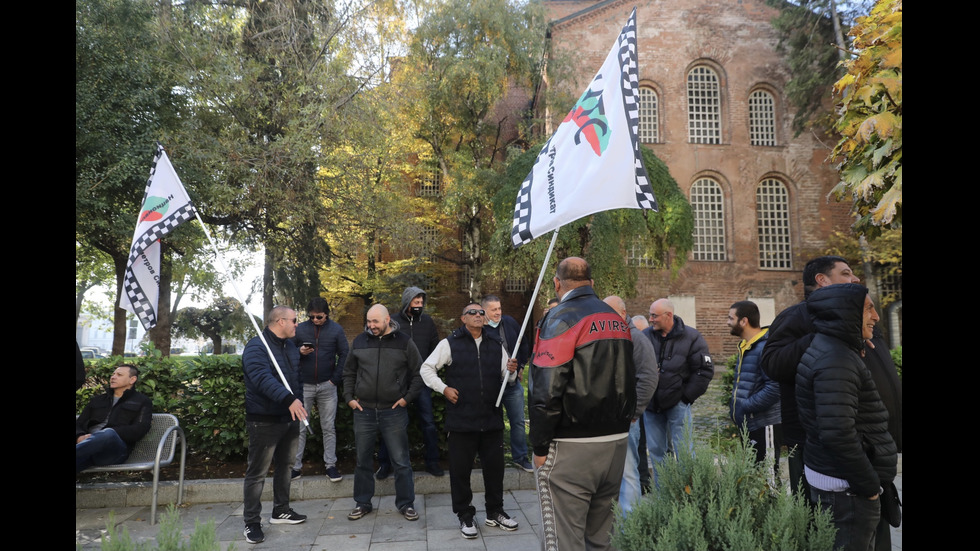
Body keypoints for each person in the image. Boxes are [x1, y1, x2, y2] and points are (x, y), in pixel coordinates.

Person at [760, 255, 903, 548]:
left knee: (876, 528)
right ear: (821, 281)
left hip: (871, 445)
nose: (854, 279)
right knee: (836, 528)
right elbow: (772, 363)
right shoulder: (798, 316)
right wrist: (823, 331)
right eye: (845, 273)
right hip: (833, 452)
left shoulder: (860, 315)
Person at [530, 257, 636, 551]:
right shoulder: (617, 318)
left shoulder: (561, 318)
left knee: (563, 539)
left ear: (556, 283)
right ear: (592, 283)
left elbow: (546, 388)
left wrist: (539, 447)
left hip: (572, 445)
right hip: (615, 443)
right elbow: (630, 376)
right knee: (603, 537)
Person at [795, 284, 897, 551]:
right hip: (847, 489)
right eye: (868, 309)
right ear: (844, 313)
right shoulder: (836, 359)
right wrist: (869, 486)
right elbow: (838, 432)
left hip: (842, 483)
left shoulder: (835, 350)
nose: (875, 316)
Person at [420, 303, 521, 539]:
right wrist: (443, 389)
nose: (478, 315)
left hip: (491, 418)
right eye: (472, 312)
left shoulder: (496, 344)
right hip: (462, 420)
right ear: (463, 318)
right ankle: (465, 515)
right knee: (460, 471)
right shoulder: (450, 343)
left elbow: (508, 376)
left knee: (495, 470)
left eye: (481, 313)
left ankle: (495, 511)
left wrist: (512, 370)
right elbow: (426, 369)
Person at [343, 304, 423, 522]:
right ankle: (362, 502)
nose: (371, 326)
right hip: (364, 411)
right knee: (362, 460)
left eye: (375, 321)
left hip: (393, 412)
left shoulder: (404, 342)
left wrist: (406, 398)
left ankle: (406, 504)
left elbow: (419, 373)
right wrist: (349, 398)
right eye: (369, 322)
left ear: (387, 319)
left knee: (401, 460)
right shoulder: (359, 341)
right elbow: (349, 371)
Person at [241, 306, 309, 544]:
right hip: (264, 420)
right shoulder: (256, 347)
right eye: (293, 321)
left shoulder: (290, 346)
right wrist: (288, 399)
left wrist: (299, 403)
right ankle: (251, 523)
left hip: (289, 418)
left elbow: (295, 379)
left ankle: (281, 510)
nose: (296, 325)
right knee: (257, 473)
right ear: (280, 321)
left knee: (286, 466)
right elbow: (261, 379)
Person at [642, 298, 713, 488]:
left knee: (684, 452)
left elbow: (704, 371)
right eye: (650, 315)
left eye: (654, 315)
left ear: (668, 316)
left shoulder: (692, 337)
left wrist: (685, 398)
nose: (650, 319)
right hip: (650, 406)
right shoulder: (645, 336)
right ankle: (663, 495)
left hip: (677, 404)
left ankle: (687, 496)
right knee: (657, 452)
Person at [377, 286, 444, 479]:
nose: (419, 305)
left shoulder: (428, 322)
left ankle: (432, 462)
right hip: (397, 383)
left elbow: (435, 348)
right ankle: (384, 464)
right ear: (407, 302)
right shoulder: (394, 321)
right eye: (416, 302)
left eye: (421, 302)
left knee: (428, 423)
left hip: (421, 381)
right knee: (391, 422)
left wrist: (430, 371)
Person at [603, 295, 658, 514]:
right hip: (607, 418)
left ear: (622, 313)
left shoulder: (636, 339)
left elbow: (648, 378)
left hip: (626, 419)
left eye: (608, 312)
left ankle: (630, 527)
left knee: (628, 473)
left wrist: (634, 412)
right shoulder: (610, 336)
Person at [292, 297, 349, 482]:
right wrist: (298, 352)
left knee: (328, 427)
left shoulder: (336, 329)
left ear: (327, 314)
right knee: (300, 427)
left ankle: (330, 466)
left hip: (327, 385)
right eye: (312, 317)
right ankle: (296, 467)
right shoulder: (300, 329)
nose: (315, 320)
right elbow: (287, 350)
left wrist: (335, 379)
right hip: (305, 385)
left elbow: (345, 354)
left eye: (319, 317)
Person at [726, 300, 781, 477]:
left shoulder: (764, 347)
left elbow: (774, 388)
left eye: (730, 318)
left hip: (764, 424)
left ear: (744, 321)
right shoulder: (746, 346)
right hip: (749, 424)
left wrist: (746, 406)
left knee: (768, 478)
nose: (727, 322)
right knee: (755, 479)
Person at [481, 294, 533, 472]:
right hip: (491, 386)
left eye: (499, 308)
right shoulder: (479, 329)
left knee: (517, 421)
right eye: (493, 310)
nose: (498, 313)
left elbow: (523, 343)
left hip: (512, 386)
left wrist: (521, 366)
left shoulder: (509, 323)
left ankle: (520, 457)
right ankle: (491, 458)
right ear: (484, 311)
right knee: (491, 424)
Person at [76, 364, 152, 474]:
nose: (113, 377)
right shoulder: (98, 400)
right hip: (88, 450)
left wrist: (105, 434)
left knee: (108, 433)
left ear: (132, 379)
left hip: (114, 452)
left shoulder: (142, 401)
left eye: (119, 375)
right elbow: (79, 423)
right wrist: (79, 437)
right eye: (113, 374)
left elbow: (140, 429)